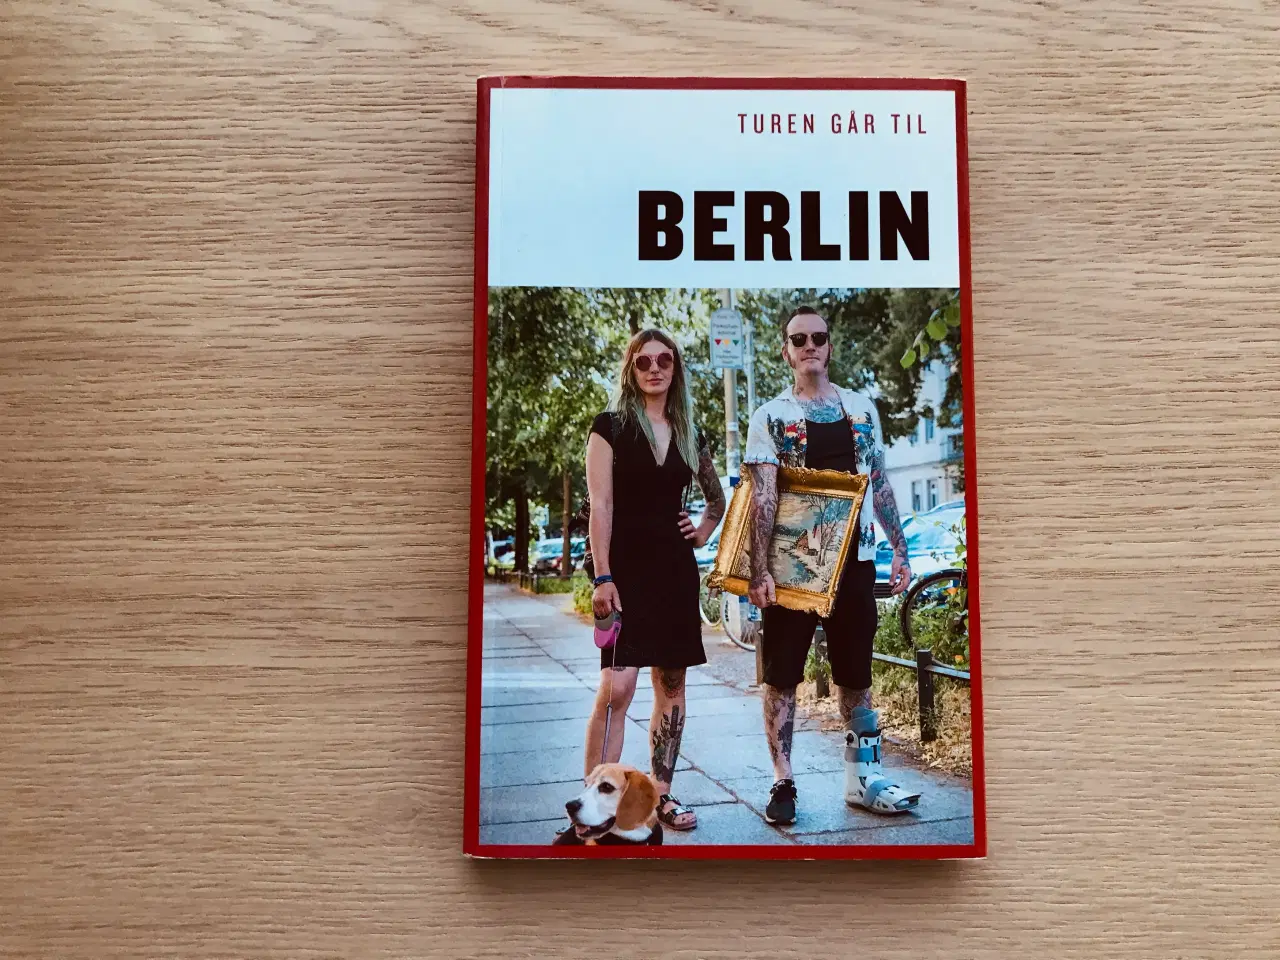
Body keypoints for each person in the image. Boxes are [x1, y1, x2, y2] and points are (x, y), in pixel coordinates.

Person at [741, 305, 921, 826]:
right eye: (798, 339)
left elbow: (878, 481)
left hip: (855, 561)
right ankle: (783, 780)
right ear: (786, 352)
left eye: (818, 337)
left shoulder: (862, 409)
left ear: (830, 347)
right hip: (793, 567)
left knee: (855, 675)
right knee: (782, 676)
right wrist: (758, 569)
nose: (809, 346)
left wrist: (900, 549)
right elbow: (763, 497)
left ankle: (863, 779)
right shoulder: (770, 417)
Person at [558, 329, 726, 840]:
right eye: (643, 361)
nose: (654, 369)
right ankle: (594, 806)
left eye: (664, 360)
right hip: (623, 572)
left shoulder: (690, 433)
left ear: (676, 368)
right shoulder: (609, 427)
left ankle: (659, 795)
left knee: (670, 685)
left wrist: (702, 530)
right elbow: (602, 506)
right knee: (617, 687)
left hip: (674, 571)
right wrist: (603, 575)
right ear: (631, 369)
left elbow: (717, 500)